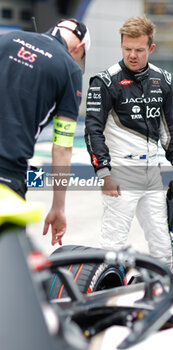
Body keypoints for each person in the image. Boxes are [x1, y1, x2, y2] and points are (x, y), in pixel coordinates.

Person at [85, 16, 173, 267]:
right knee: (112, 247)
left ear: (151, 48)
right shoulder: (105, 81)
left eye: (139, 50)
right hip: (121, 174)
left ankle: (162, 296)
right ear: (121, 45)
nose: (132, 55)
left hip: (152, 174)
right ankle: (107, 298)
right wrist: (104, 173)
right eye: (127, 49)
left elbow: (168, 128)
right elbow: (93, 131)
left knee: (163, 249)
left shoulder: (162, 80)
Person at [0, 18, 90, 246]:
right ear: (78, 48)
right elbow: (62, 145)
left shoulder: (7, 40)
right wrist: (58, 207)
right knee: (9, 264)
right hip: (7, 174)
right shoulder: (69, 69)